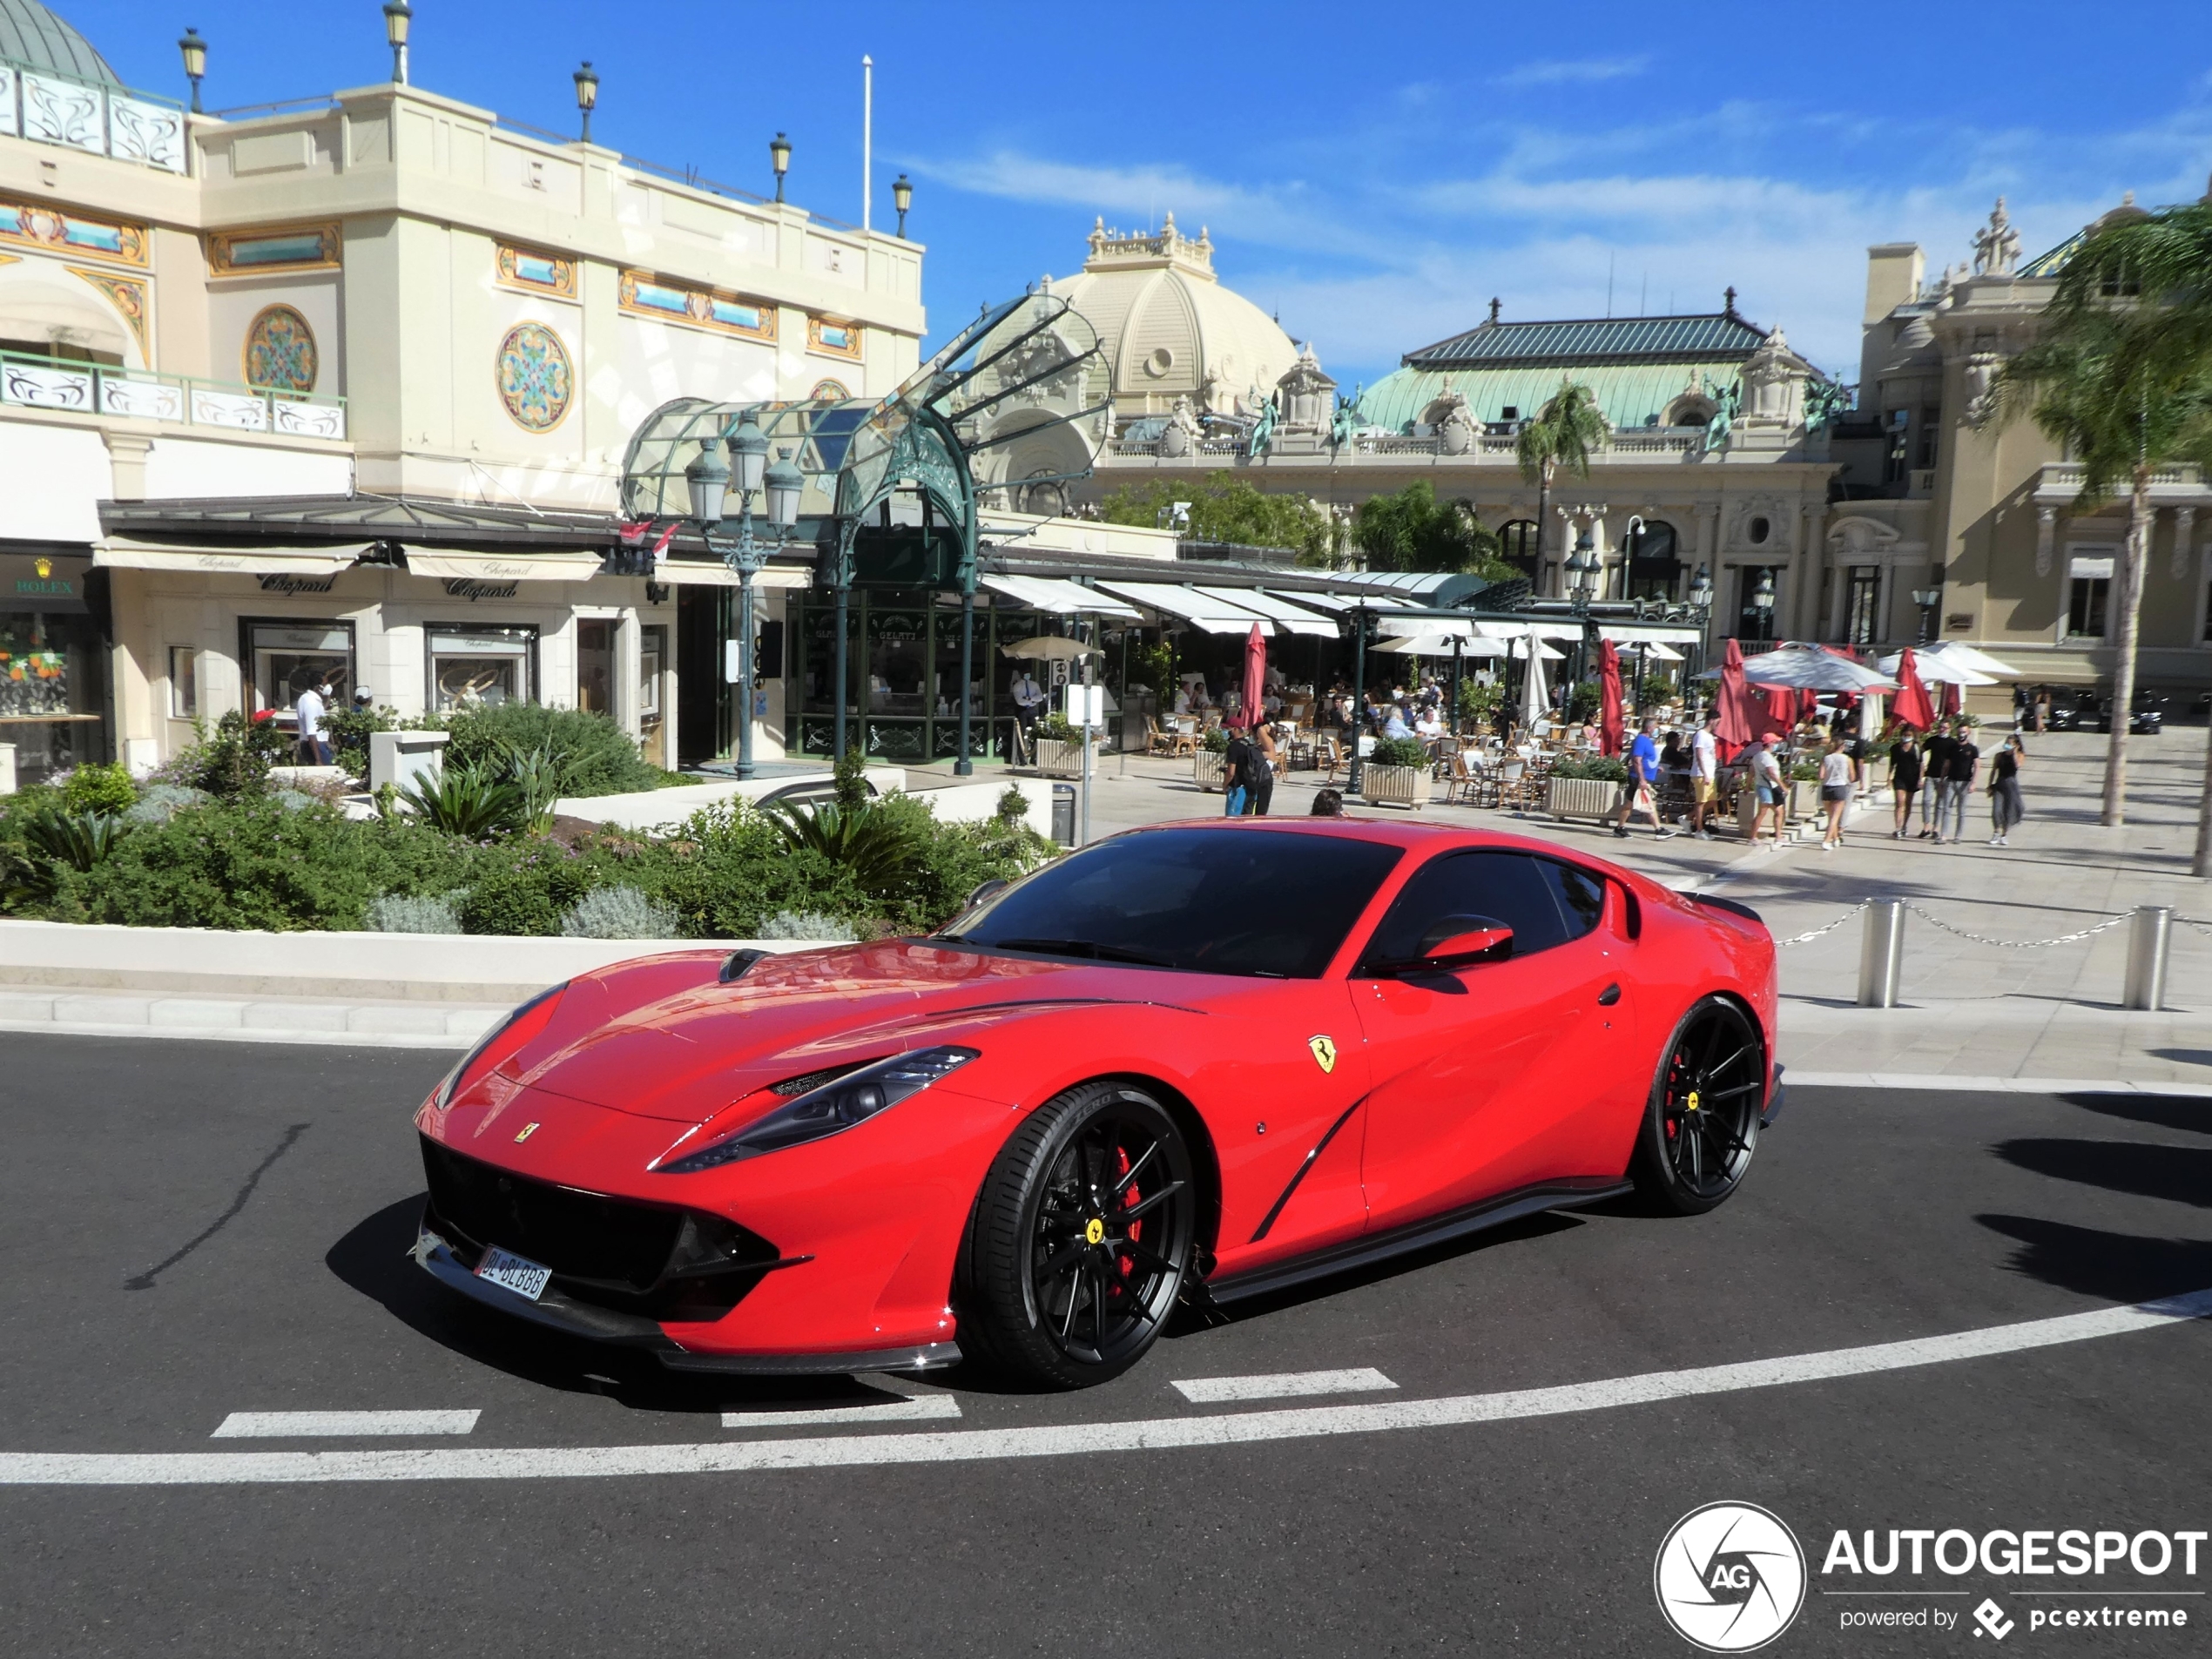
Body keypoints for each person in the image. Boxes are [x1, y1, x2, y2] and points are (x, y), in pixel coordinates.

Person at [1614, 718, 1673, 840]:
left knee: (1632, 803)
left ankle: (1620, 828)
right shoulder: (1640, 741)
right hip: (1639, 778)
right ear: (1649, 728)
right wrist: (1642, 779)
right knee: (1646, 803)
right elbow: (1637, 760)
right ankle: (1658, 829)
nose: (1656, 729)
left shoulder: (1647, 741)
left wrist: (1656, 767)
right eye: (1655, 727)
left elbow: (1647, 759)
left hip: (1646, 777)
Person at [1938, 721, 1979, 844]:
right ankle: (1943, 835)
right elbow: (1946, 765)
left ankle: (1958, 836)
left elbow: (1977, 766)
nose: (1961, 734)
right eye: (1960, 732)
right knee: (1947, 809)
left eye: (1964, 732)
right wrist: (1941, 780)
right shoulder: (1952, 748)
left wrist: (1973, 783)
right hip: (1951, 781)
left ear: (1968, 733)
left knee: (1961, 811)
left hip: (1964, 783)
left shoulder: (1972, 749)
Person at [1919, 719, 1957, 839]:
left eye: (1945, 727)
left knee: (1939, 804)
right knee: (1926, 801)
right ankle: (1926, 826)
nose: (1942, 729)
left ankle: (1936, 828)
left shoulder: (1953, 743)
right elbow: (1920, 750)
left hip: (1944, 777)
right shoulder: (1933, 740)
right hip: (1930, 774)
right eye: (1941, 727)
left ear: (1950, 729)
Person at [1817, 734, 1854, 851]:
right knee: (1835, 817)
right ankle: (1826, 840)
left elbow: (1821, 775)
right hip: (1840, 787)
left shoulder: (1826, 758)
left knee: (1830, 816)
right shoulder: (1847, 759)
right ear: (1842, 746)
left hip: (1827, 788)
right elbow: (1853, 777)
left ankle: (1836, 838)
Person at [1987, 734, 2025, 846]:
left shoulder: (2019, 755)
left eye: (2011, 743)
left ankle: (2004, 834)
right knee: (1996, 810)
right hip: (2000, 783)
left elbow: (2017, 765)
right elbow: (1994, 770)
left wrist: (2014, 753)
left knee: (2008, 810)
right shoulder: (1999, 755)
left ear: (2016, 745)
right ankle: (1996, 832)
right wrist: (1990, 785)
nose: (2008, 745)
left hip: (2011, 784)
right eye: (2007, 743)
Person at [1746, 738, 1785, 844]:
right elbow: (1771, 773)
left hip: (1769, 786)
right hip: (1767, 786)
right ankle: (1753, 837)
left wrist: (1748, 785)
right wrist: (1783, 786)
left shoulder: (1757, 756)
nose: (1778, 744)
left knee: (1779, 811)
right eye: (1776, 742)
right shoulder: (1765, 757)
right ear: (1770, 743)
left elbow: (1751, 772)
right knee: (1763, 812)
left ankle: (1779, 836)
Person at [1689, 714, 1721, 840]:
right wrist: (1705, 773)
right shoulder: (1701, 734)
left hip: (1710, 773)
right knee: (1701, 802)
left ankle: (1688, 817)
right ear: (1711, 720)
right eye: (1717, 722)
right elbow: (1699, 754)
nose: (1718, 725)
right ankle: (1699, 829)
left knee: (1712, 801)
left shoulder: (1709, 736)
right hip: (1702, 773)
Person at [1888, 729, 1925, 839]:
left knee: (1908, 803)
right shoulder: (1895, 748)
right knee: (1899, 802)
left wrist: (1920, 779)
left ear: (1913, 736)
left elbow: (1921, 764)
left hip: (1912, 778)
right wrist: (1888, 778)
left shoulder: (1917, 748)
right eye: (1904, 735)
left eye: (1909, 735)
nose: (1906, 737)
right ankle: (1897, 828)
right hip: (1900, 777)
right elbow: (1892, 764)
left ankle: (1904, 826)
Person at [294, 675, 332, 766]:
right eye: (325, 684)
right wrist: (318, 760)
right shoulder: (311, 703)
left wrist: (328, 698)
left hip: (312, 745)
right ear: (318, 687)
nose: (328, 686)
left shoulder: (306, 698)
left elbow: (319, 712)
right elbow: (311, 732)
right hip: (317, 746)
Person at [1246, 722, 1278, 816]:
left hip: (1264, 778)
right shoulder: (1260, 745)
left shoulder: (1268, 744)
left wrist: (1263, 726)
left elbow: (1260, 730)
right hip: (1259, 778)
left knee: (1260, 810)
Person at [1222, 725, 1254, 817]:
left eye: (1229, 728)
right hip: (1251, 788)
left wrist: (1224, 785)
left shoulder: (1233, 746)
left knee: (1232, 821)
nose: (1228, 731)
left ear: (1236, 729)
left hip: (1238, 788)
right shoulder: (1249, 744)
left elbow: (1231, 772)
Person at [1012, 669, 1045, 744]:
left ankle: (1034, 752)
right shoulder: (1017, 685)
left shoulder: (1034, 684)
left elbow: (1040, 697)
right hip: (1022, 710)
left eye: (1028, 673)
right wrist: (1033, 700)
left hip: (1032, 709)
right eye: (1026, 674)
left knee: (1035, 731)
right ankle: (1021, 754)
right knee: (1021, 732)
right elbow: (1019, 701)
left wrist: (1030, 698)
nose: (1027, 675)